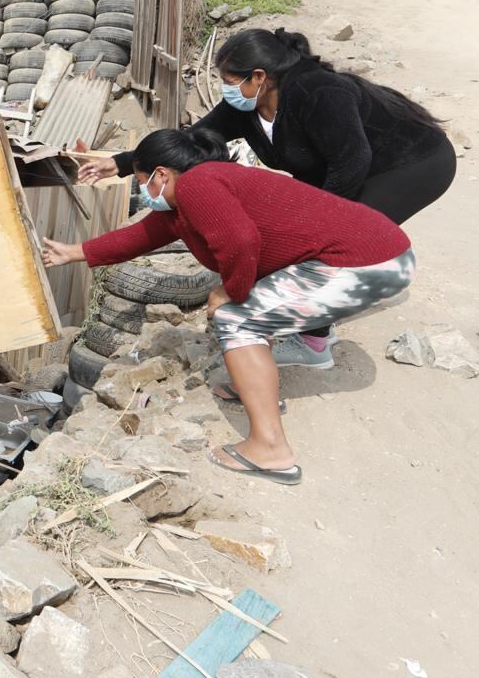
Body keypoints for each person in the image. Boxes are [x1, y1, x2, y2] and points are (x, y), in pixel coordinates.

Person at [45, 128, 415, 486]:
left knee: (237, 319)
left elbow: (241, 241)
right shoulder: (189, 198)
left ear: (161, 174)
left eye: (142, 181)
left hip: (369, 263)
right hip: (370, 254)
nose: (143, 191)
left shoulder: (197, 185)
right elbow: (140, 236)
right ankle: (253, 388)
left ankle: (270, 449)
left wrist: (230, 291)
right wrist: (74, 252)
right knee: (253, 306)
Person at [79, 27, 451, 369]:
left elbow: (352, 161)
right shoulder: (246, 106)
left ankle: (314, 343)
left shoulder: (320, 93)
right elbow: (191, 140)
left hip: (412, 163)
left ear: (259, 76)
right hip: (345, 163)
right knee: (307, 243)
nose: (224, 89)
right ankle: (300, 322)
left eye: (229, 81)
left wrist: (314, 223)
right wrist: (121, 163)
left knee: (329, 243)